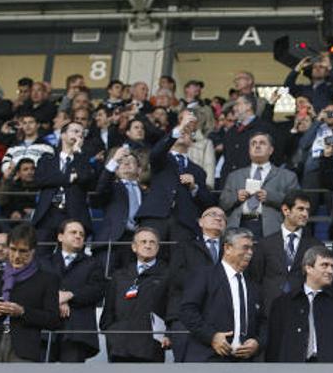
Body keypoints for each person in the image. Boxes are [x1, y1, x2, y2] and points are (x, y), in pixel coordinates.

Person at [0, 223, 59, 362]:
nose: (17, 256)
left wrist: (23, 312)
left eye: (23, 251)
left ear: (33, 251)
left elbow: (54, 320)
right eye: (13, 249)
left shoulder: (47, 280)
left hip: (25, 351)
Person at [180, 227, 265, 362]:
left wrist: (257, 342)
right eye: (245, 248)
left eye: (251, 249)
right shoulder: (204, 275)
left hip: (243, 364)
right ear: (227, 248)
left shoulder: (253, 284)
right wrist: (212, 336)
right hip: (208, 359)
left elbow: (263, 321)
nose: (250, 253)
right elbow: (187, 311)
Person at [266, 246, 333, 363]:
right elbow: (274, 346)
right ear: (308, 268)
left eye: (332, 266)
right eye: (324, 265)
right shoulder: (283, 303)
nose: (330, 271)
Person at [135, 111, 216, 243]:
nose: (183, 133)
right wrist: (180, 127)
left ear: (191, 141)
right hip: (156, 216)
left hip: (184, 222)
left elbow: (207, 201)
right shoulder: (161, 158)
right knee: (150, 256)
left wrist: (194, 187)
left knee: (178, 261)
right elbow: (156, 152)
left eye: (187, 132)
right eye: (180, 132)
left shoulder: (198, 171)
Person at [100, 227, 172, 362]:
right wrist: (112, 333)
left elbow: (173, 307)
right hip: (119, 348)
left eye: (152, 242)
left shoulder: (168, 274)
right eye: (143, 241)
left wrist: (168, 334)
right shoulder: (119, 275)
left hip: (151, 347)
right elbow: (108, 311)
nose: (148, 245)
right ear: (134, 247)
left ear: (158, 248)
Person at [37, 220, 105, 363]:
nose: (78, 236)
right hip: (45, 329)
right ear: (60, 237)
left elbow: (98, 290)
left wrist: (70, 295)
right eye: (73, 232)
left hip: (77, 332)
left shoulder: (93, 263)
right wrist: (57, 299)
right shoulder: (43, 262)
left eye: (81, 234)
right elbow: (35, 288)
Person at [166, 206, 226, 362]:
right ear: (200, 222)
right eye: (212, 214)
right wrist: (208, 284)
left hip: (221, 318)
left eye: (222, 217)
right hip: (187, 316)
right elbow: (176, 276)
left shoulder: (231, 248)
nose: (218, 218)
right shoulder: (185, 245)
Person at [247, 191, 323, 312]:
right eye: (300, 209)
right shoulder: (265, 244)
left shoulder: (315, 245)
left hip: (303, 310)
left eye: (307, 210)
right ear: (286, 210)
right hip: (269, 310)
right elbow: (256, 278)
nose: (305, 214)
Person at [220, 132, 300, 239]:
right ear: (249, 150)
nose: (257, 146)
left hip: (271, 227)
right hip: (239, 225)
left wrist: (270, 197)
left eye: (262, 143)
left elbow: (296, 204)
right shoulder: (234, 176)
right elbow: (223, 203)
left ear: (271, 150)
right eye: (253, 144)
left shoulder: (287, 176)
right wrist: (236, 197)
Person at [31, 122, 95, 250]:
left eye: (82, 134)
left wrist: (78, 153)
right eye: (75, 131)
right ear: (63, 135)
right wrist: (69, 178)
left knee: (72, 255)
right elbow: (39, 180)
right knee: (41, 255)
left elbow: (86, 178)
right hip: (48, 213)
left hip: (74, 214)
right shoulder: (47, 158)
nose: (79, 135)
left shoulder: (83, 158)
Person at [90, 145, 145, 271]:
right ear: (115, 169)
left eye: (131, 162)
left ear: (139, 170)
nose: (126, 164)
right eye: (121, 162)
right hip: (111, 241)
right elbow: (98, 194)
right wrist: (113, 161)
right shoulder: (111, 187)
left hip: (138, 242)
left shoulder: (148, 192)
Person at [220, 94, 276, 184]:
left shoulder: (264, 128)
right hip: (230, 183)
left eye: (237, 104)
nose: (234, 108)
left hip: (254, 183)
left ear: (249, 106)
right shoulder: (231, 132)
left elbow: (273, 156)